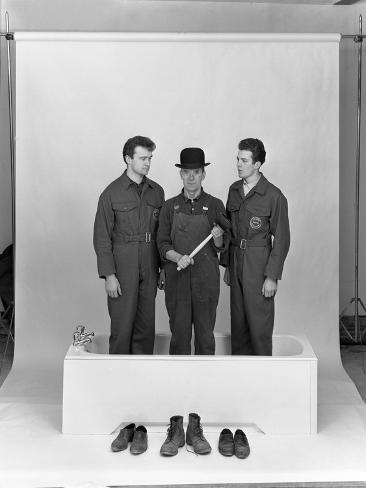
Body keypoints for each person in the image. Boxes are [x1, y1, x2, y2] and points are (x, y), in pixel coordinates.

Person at [93, 136, 165, 354]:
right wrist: (109, 275)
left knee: (146, 327)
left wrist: (163, 269)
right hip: (123, 267)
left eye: (150, 158)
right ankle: (118, 379)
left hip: (150, 265)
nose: (148, 163)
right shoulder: (111, 193)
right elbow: (101, 237)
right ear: (127, 159)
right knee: (122, 326)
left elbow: (162, 234)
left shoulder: (157, 191)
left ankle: (141, 380)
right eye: (143, 158)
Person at [157, 147, 230, 355]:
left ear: (203, 174)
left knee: (205, 337)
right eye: (187, 172)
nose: (191, 177)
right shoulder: (169, 207)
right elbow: (162, 244)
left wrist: (217, 237)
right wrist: (177, 257)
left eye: (196, 172)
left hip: (206, 280)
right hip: (177, 280)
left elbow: (221, 247)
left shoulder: (215, 205)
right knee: (179, 337)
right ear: (180, 174)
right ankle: (179, 385)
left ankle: (204, 385)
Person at [221, 138, 290, 356]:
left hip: (258, 263)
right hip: (236, 259)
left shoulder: (273, 195)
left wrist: (272, 276)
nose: (239, 164)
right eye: (237, 160)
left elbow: (282, 238)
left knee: (259, 324)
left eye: (244, 160)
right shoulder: (233, 190)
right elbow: (228, 230)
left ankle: (263, 379)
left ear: (257, 164)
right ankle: (241, 380)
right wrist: (228, 266)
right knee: (238, 323)